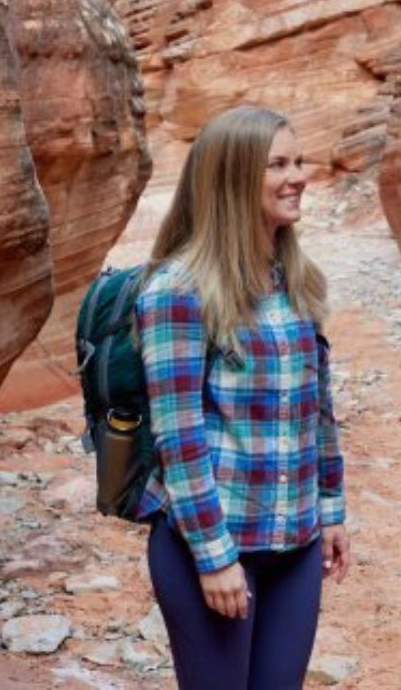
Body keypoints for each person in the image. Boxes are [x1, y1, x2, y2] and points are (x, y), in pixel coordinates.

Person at [133, 105, 351, 689]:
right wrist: (214, 556)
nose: (298, 176)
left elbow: (318, 413)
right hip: (211, 547)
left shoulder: (296, 281)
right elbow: (178, 437)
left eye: (298, 161)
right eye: (277, 164)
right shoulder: (177, 292)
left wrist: (330, 510)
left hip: (295, 546)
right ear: (233, 179)